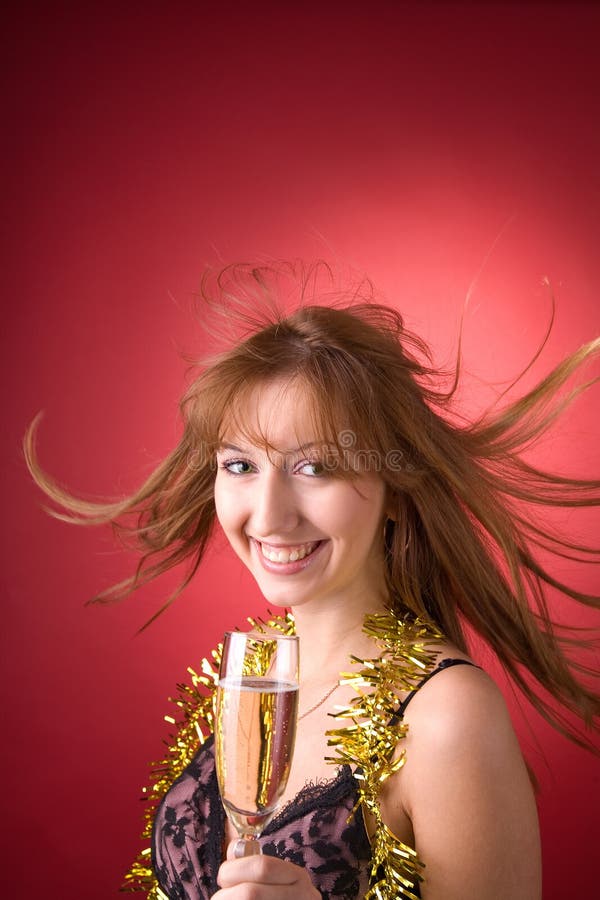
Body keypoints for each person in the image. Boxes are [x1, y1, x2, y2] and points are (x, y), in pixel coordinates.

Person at [25, 261, 599, 900]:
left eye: (316, 466)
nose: (269, 516)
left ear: (395, 493)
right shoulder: (257, 676)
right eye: (240, 464)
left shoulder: (448, 717)